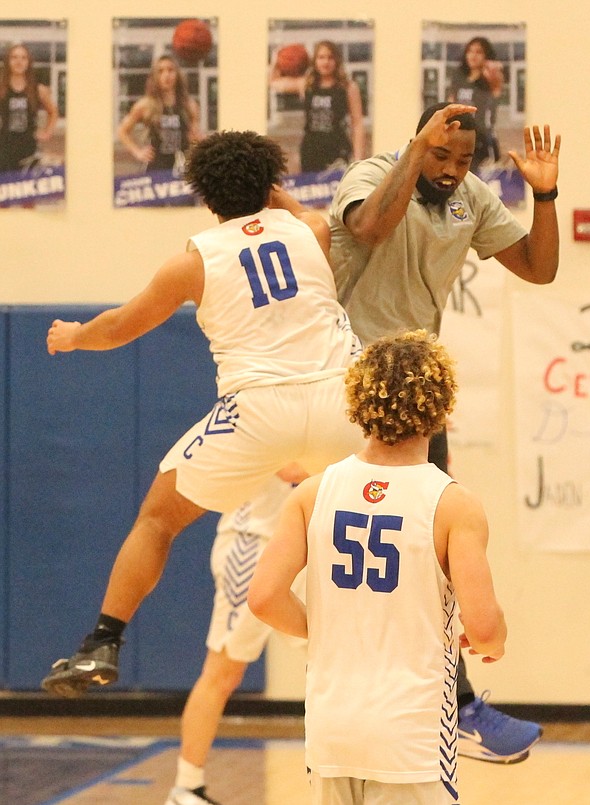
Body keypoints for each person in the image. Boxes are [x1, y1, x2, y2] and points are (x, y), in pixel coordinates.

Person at [41, 130, 365, 699]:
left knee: (157, 521)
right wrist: (275, 195)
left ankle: (102, 641)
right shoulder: (312, 231)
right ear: (270, 182)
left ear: (204, 195)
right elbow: (306, 213)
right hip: (342, 399)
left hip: (259, 410)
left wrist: (72, 338)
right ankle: (441, 655)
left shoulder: (192, 262)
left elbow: (120, 327)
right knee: (403, 509)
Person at [324, 100, 559, 763]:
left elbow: (539, 269)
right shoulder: (370, 176)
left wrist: (546, 197)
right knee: (365, 550)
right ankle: (422, 699)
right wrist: (411, 152)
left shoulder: (472, 199)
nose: (454, 170)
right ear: (417, 145)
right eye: (442, 156)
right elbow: (370, 228)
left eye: (463, 159)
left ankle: (455, 703)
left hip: (416, 387)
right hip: (348, 379)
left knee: (443, 551)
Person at [249, 329, 507, 805]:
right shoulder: (453, 504)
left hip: (331, 730)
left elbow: (263, 598)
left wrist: (327, 626)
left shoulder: (312, 493)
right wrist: (494, 640)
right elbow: (485, 627)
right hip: (411, 735)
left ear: (358, 402)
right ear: (442, 407)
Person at [166, 471, 303, 805]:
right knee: (222, 672)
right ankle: (186, 787)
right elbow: (291, 468)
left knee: (332, 660)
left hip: (294, 550)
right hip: (250, 544)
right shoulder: (261, 418)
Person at [270, 40, 365, 173]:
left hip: (338, 150)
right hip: (311, 150)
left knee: (338, 192)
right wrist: (276, 58)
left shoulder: (348, 87)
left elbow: (357, 124)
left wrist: (358, 159)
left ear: (337, 60)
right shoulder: (306, 84)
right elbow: (273, 82)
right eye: (321, 57)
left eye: (330, 57)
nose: (325, 62)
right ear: (314, 61)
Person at [117, 55, 201, 174]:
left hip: (182, 168)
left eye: (170, 70)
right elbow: (122, 131)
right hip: (155, 168)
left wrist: (199, 141)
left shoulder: (189, 105)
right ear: (155, 77)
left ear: (177, 74)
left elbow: (195, 136)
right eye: (161, 71)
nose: (166, 75)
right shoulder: (145, 105)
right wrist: (138, 152)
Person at [445, 36, 503, 173]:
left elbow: (495, 99)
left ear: (486, 56)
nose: (473, 55)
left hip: (480, 138)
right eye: (470, 51)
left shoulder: (489, 80)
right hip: (457, 135)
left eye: (479, 52)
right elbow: (449, 104)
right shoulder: (459, 77)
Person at [0, 42, 59, 173]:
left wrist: (47, 132)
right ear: (8, 61)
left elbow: (53, 112)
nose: (19, 62)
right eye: (14, 57)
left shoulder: (38, 90)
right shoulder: (2, 88)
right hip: (4, 148)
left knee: (26, 189)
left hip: (29, 149)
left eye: (23, 58)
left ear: (28, 62)